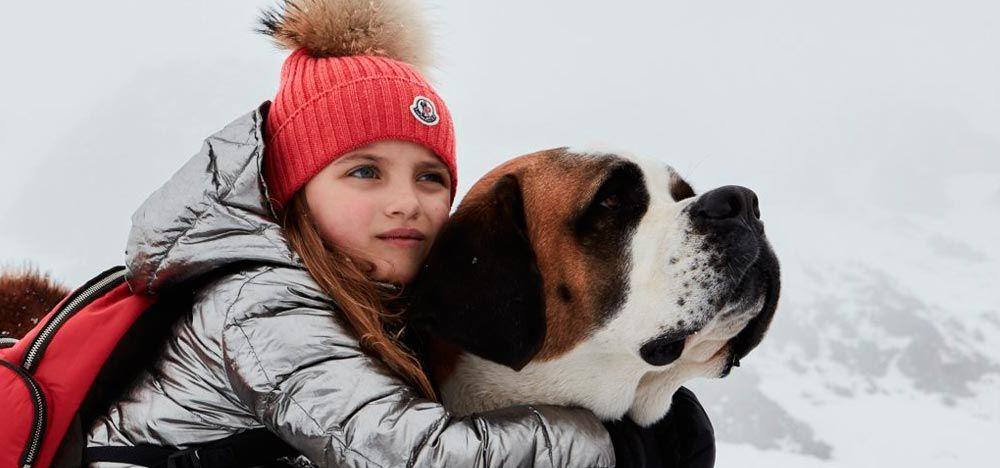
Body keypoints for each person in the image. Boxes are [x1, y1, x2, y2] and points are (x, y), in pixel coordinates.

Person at [83, 1, 715, 466]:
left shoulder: (373, 305)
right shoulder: (261, 305)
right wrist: (614, 446)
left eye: (430, 177)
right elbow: (413, 457)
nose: (405, 202)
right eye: (365, 172)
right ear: (293, 189)